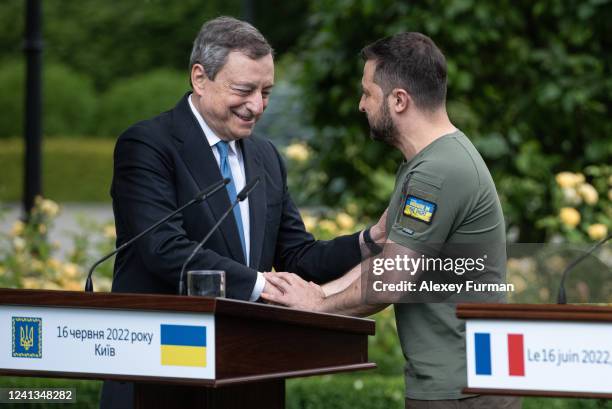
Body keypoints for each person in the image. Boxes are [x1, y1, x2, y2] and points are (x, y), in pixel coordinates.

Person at [101, 16, 385, 409]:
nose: (257, 105)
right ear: (200, 78)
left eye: (266, 91)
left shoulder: (265, 157)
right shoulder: (148, 144)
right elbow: (163, 247)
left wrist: (368, 240)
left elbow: (297, 255)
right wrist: (261, 285)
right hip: (159, 374)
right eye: (244, 90)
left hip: (245, 374)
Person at [262, 33, 521, 409]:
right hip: (464, 384)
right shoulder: (429, 163)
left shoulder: (436, 172)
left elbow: (389, 280)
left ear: (399, 100)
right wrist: (319, 295)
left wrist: (318, 305)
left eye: (368, 93)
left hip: (461, 391)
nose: (361, 104)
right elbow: (387, 256)